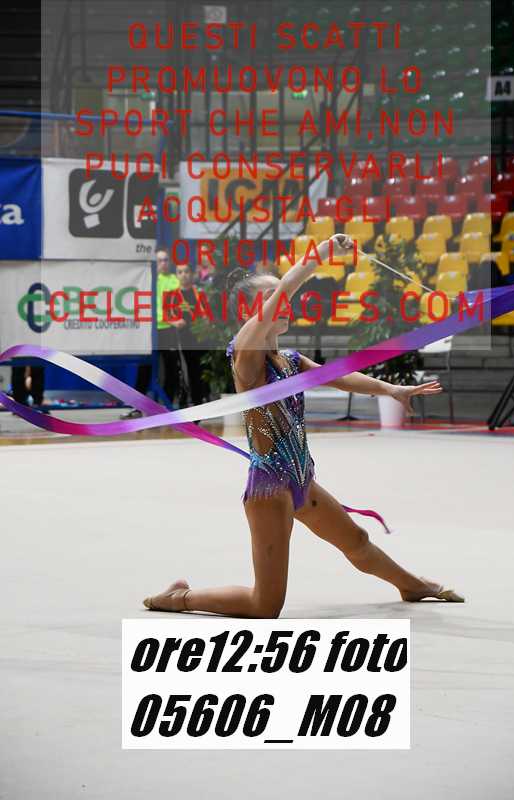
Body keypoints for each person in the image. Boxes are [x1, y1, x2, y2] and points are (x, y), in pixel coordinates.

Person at [143, 234, 464, 617]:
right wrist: (322, 253)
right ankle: (181, 597)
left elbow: (339, 376)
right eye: (273, 298)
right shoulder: (245, 356)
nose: (285, 304)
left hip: (300, 479)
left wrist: (391, 389)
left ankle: (411, 585)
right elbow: (285, 291)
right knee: (265, 606)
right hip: (269, 489)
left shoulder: (290, 360)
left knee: (357, 540)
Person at [121, 248, 184, 419]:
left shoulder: (174, 281)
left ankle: (168, 406)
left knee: (171, 368)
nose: (163, 263)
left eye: (166, 260)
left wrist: (174, 320)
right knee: (144, 368)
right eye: (160, 260)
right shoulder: (146, 280)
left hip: (167, 331)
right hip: (149, 332)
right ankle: (136, 407)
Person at [173, 264, 210, 406]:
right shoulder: (173, 295)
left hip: (201, 336)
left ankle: (205, 397)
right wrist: (175, 322)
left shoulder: (199, 292)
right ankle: (195, 400)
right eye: (180, 272)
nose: (184, 275)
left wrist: (206, 320)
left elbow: (208, 313)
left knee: (203, 368)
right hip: (184, 337)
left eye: (186, 271)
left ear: (192, 274)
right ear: (176, 275)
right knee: (190, 369)